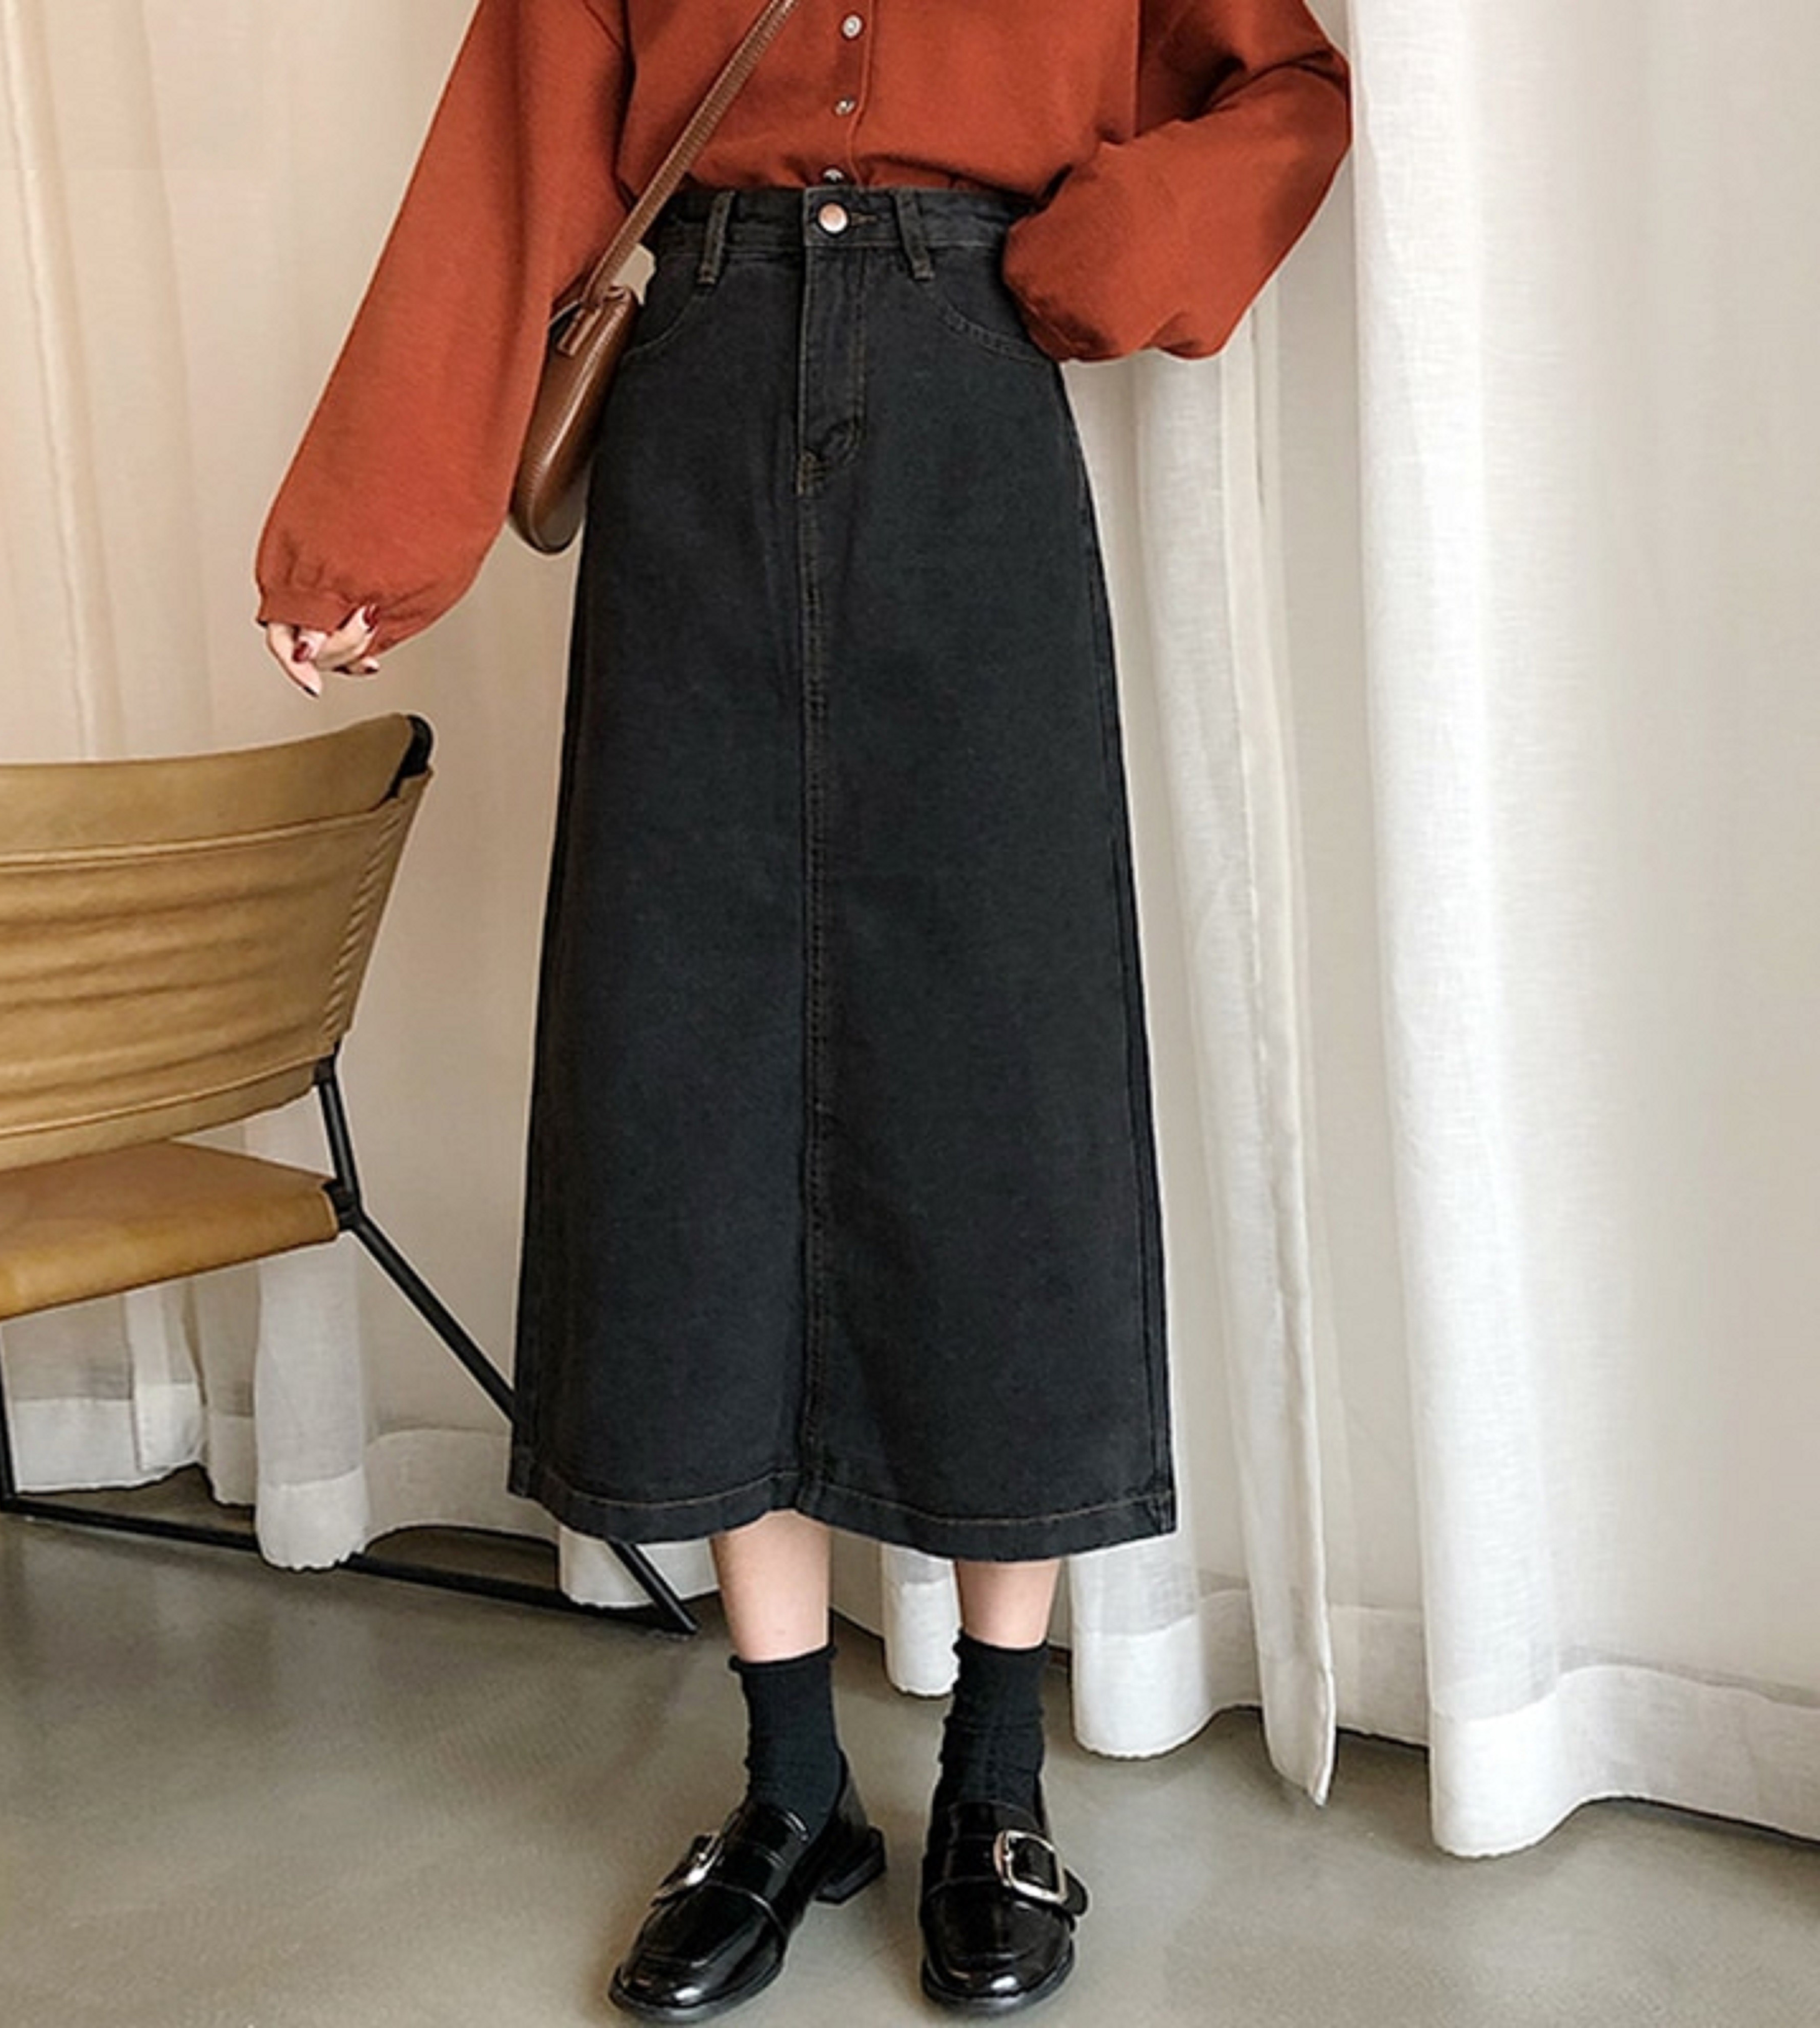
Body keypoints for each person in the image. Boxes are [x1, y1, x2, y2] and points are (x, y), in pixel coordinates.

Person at [257, 2, 1350, 2015]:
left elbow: (1283, 90)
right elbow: (511, 163)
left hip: (967, 401)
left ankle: (997, 1777)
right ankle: (788, 1784)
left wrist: (1108, 246)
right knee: (695, 1087)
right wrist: (371, 537)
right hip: (697, 401)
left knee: (1000, 1093)